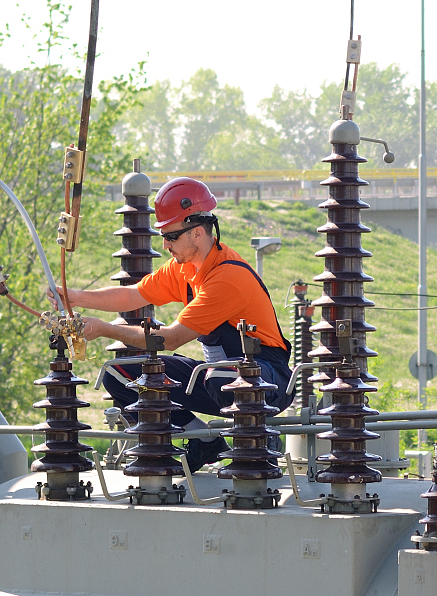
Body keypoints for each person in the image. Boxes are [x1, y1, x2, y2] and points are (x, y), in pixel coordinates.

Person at [48, 177, 294, 471]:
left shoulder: (227, 278)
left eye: (172, 236)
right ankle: (204, 441)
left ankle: (255, 447)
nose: (165, 245)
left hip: (266, 381)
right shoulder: (184, 268)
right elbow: (132, 295)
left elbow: (171, 339)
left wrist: (105, 329)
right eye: (163, 236)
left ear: (197, 233)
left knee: (220, 375)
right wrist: (75, 297)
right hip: (215, 376)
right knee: (118, 374)